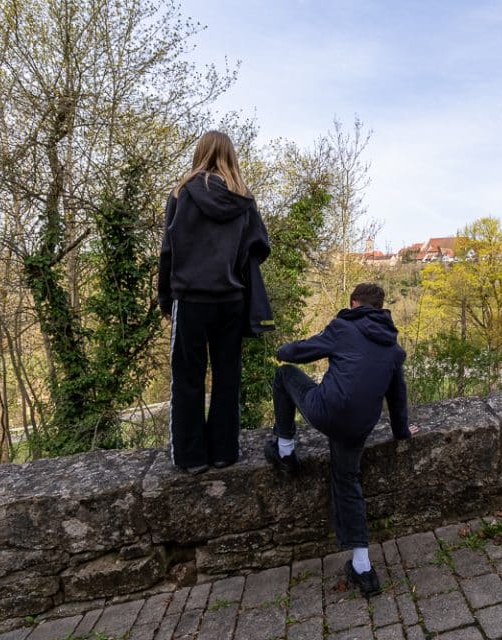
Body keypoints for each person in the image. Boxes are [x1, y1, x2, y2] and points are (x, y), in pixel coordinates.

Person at [265, 282, 412, 598]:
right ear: (381, 307)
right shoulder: (392, 348)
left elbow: (297, 353)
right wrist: (402, 433)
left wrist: (280, 350)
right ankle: (363, 568)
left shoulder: (344, 326)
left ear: (354, 303)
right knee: (348, 482)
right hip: (358, 425)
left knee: (285, 376)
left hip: (327, 411)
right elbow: (398, 398)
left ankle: (285, 450)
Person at [158, 131, 272, 474]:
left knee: (187, 378)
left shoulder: (181, 194)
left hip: (191, 299)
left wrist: (165, 298)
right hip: (231, 299)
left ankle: (191, 457)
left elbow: (168, 252)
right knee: (227, 377)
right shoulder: (244, 200)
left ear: (200, 153)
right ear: (230, 156)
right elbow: (261, 246)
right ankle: (224, 452)